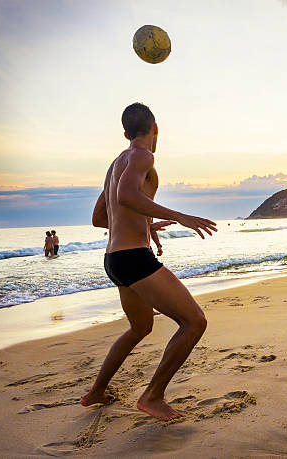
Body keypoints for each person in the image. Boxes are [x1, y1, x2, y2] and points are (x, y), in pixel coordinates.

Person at [81, 103, 217, 421]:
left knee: (140, 326)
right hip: (133, 259)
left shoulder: (115, 164)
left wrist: (147, 225)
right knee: (195, 322)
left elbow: (100, 217)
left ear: (126, 133)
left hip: (114, 259)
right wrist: (178, 215)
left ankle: (97, 392)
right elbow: (127, 196)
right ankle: (152, 396)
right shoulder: (143, 156)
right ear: (155, 128)